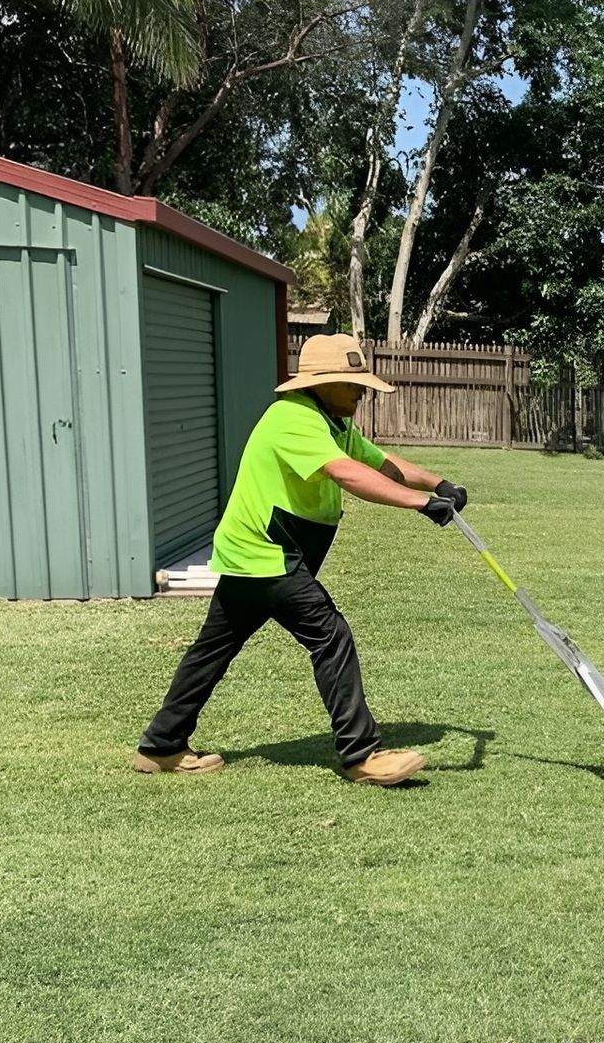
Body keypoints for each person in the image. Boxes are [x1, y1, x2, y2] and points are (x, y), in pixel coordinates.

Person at [134, 334, 466, 786]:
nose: (361, 392)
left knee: (213, 649)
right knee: (330, 636)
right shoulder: (292, 419)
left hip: (255, 555)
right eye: (351, 383)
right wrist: (420, 504)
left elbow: (377, 462)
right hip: (267, 553)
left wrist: (438, 484)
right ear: (321, 382)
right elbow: (345, 472)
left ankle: (160, 745)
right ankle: (362, 756)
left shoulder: (332, 423)